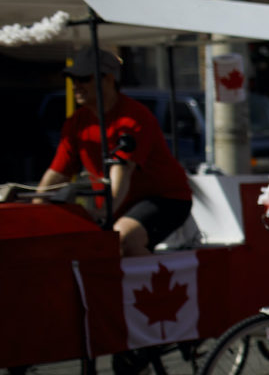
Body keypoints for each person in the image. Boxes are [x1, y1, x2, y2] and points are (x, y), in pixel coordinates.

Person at [36, 47, 192, 258]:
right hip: (120, 203)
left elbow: (121, 171)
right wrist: (37, 206)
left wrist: (103, 214)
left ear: (108, 79)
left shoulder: (133, 117)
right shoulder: (76, 123)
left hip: (166, 198)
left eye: (83, 79)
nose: (76, 86)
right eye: (73, 79)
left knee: (124, 239)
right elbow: (57, 172)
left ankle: (155, 288)